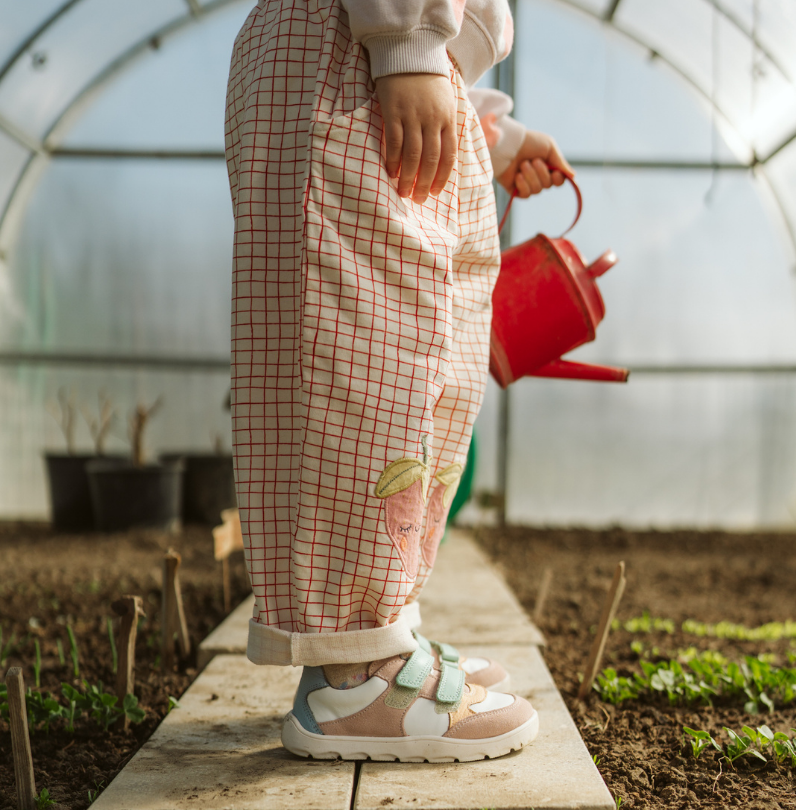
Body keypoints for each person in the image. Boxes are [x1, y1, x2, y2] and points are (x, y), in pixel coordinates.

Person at [225, 0, 574, 762]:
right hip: (360, 40)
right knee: (357, 354)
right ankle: (353, 678)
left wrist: (482, 121)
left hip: (385, 45)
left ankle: (378, 633)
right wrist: (407, 41)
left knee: (418, 366)